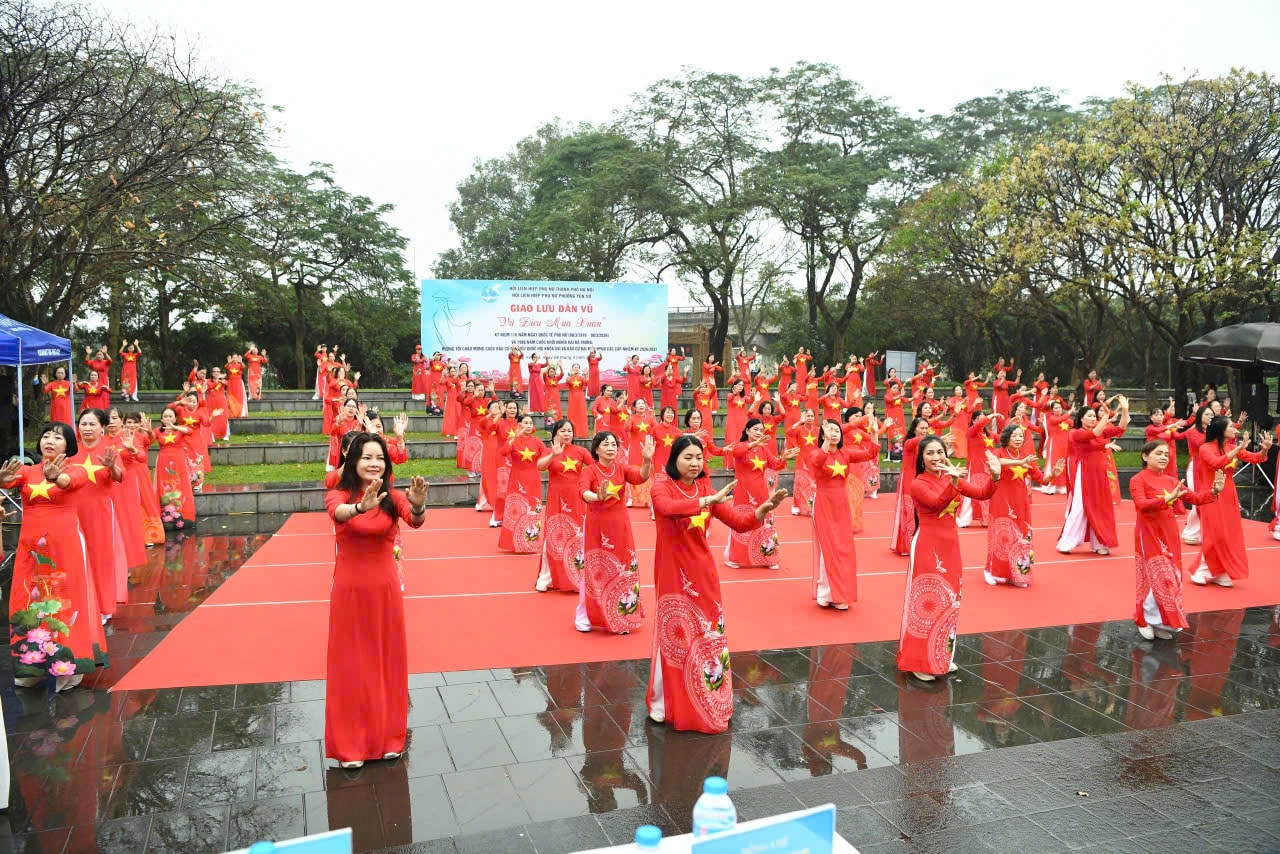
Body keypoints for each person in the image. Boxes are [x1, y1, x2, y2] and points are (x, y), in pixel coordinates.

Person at [648, 435, 787, 733]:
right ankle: (665, 701)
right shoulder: (662, 485)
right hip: (672, 570)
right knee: (677, 633)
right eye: (688, 457)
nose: (695, 462)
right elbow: (667, 508)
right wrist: (706, 501)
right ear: (674, 459)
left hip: (702, 571)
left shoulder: (706, 487)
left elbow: (738, 521)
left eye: (699, 457)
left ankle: (707, 693)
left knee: (708, 630)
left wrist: (763, 510)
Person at [324, 434, 429, 768]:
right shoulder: (339, 494)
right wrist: (359, 507)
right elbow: (338, 513)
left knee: (386, 661)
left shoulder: (393, 497)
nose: (374, 464)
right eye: (367, 457)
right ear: (354, 461)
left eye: (380, 458)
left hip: (385, 591)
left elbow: (415, 521)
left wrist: (417, 504)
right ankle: (350, 746)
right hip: (350, 591)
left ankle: (388, 738)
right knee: (351, 665)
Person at [1, 424, 108, 692]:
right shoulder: (27, 471)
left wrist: (54, 476)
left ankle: (67, 667)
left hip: (65, 547)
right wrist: (2, 480)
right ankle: (31, 665)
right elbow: (7, 481)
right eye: (46, 436)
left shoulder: (77, 469)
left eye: (57, 437)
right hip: (31, 550)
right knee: (28, 600)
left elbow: (68, 483)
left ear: (68, 446)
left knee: (63, 601)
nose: (49, 440)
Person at [898, 438, 1000, 681]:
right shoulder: (918, 483)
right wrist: (954, 481)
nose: (936, 457)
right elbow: (936, 503)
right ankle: (918, 661)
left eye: (940, 452)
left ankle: (940, 655)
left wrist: (995, 477)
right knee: (927, 600)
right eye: (930, 453)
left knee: (950, 600)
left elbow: (982, 494)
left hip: (950, 546)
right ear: (921, 458)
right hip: (927, 546)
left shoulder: (950, 477)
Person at [1130, 440, 1223, 640]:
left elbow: (1196, 499)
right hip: (1148, 533)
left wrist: (1214, 491)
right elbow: (1142, 505)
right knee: (1154, 577)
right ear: (1145, 457)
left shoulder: (1172, 481)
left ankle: (1160, 621)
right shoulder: (1138, 479)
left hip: (1169, 532)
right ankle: (1144, 618)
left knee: (1171, 578)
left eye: (1166, 454)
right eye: (1159, 453)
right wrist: (1166, 499)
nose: (1164, 457)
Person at [576, 432, 653, 634]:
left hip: (620, 525)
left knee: (623, 567)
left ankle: (622, 615)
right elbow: (583, 492)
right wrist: (596, 496)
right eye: (606, 444)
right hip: (597, 526)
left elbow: (641, 477)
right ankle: (585, 615)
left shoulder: (621, 468)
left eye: (613, 444)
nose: (611, 447)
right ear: (596, 449)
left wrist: (646, 460)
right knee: (596, 569)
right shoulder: (590, 471)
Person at [1190, 420, 1273, 587]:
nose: (1234, 429)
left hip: (1228, 494)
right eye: (1230, 427)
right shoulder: (1205, 448)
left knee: (1228, 534)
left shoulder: (1230, 447)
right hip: (1211, 494)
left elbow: (1255, 459)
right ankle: (1202, 570)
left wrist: (1265, 449)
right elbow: (1216, 463)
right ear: (1220, 430)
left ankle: (1219, 571)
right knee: (1215, 533)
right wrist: (1238, 448)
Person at [808, 419, 879, 610]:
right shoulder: (816, 453)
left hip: (841, 505)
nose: (835, 433)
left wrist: (874, 433)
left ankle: (841, 594)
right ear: (823, 434)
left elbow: (870, 453)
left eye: (837, 431)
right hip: (823, 504)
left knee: (843, 548)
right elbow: (817, 461)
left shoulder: (846, 453)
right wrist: (825, 443)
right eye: (830, 430)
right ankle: (826, 593)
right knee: (828, 548)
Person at [68, 408, 128, 619]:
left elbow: (120, 477)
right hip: (74, 511)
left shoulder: (109, 450)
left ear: (102, 428)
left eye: (92, 424)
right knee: (77, 555)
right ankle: (81, 604)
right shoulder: (71, 452)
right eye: (83, 424)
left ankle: (103, 607)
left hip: (100, 511)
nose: (87, 429)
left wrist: (112, 467)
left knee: (100, 557)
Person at [985, 424, 1063, 587]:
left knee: (1022, 536)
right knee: (1000, 536)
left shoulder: (1027, 456)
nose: (1019, 438)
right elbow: (997, 463)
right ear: (1006, 437)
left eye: (1021, 436)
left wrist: (1052, 475)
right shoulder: (998, 452)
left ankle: (1019, 574)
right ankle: (991, 570)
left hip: (1020, 502)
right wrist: (1020, 462)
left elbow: (1041, 479)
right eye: (1015, 435)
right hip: (1001, 500)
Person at [1057, 398, 1130, 556]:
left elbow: (1121, 427)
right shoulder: (1075, 433)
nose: (1092, 418)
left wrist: (1125, 410)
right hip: (1084, 474)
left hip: (1100, 474)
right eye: (1089, 416)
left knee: (1100, 507)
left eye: (1093, 416)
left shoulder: (1101, 430)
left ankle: (1099, 543)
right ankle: (1066, 542)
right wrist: (1105, 418)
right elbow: (1094, 434)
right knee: (1080, 507)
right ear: (1081, 418)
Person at [724, 418, 796, 569]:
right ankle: (736, 558)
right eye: (755, 429)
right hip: (743, 494)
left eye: (760, 430)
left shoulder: (764, 449)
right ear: (747, 431)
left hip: (761, 492)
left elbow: (775, 465)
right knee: (741, 522)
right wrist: (753, 444)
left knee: (765, 522)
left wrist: (784, 458)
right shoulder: (741, 446)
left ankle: (768, 558)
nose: (758, 432)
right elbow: (736, 452)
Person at [536, 419, 591, 592]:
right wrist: (553, 454)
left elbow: (595, 468)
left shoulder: (581, 451)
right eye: (563, 431)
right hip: (557, 499)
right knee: (553, 537)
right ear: (555, 433)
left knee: (576, 536)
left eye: (569, 431)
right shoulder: (549, 451)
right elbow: (540, 466)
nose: (567, 434)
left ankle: (575, 577)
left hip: (576, 499)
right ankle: (546, 578)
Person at [499, 414, 546, 554]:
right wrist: (514, 437)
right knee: (517, 509)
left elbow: (546, 454)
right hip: (517, 479)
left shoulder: (537, 442)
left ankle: (530, 543)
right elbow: (503, 452)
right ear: (519, 425)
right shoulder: (513, 440)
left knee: (532, 509)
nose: (528, 425)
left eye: (530, 423)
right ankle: (514, 543)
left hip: (533, 480)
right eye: (525, 423)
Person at [892, 417, 932, 556]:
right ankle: (906, 545)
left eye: (927, 428)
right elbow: (918, 440)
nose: (925, 431)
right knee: (908, 512)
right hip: (908, 480)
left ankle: (919, 543)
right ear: (914, 429)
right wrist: (932, 439)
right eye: (922, 428)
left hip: (921, 479)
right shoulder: (909, 442)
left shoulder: (926, 445)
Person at [566, 366, 589, 436]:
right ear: (572, 368)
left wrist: (585, 375)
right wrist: (572, 375)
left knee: (581, 414)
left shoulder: (581, 378)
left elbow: (587, 383)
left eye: (577, 367)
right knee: (572, 414)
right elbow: (568, 383)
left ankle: (581, 432)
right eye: (574, 367)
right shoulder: (569, 377)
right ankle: (572, 432)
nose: (576, 368)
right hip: (572, 397)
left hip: (580, 398)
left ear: (579, 369)